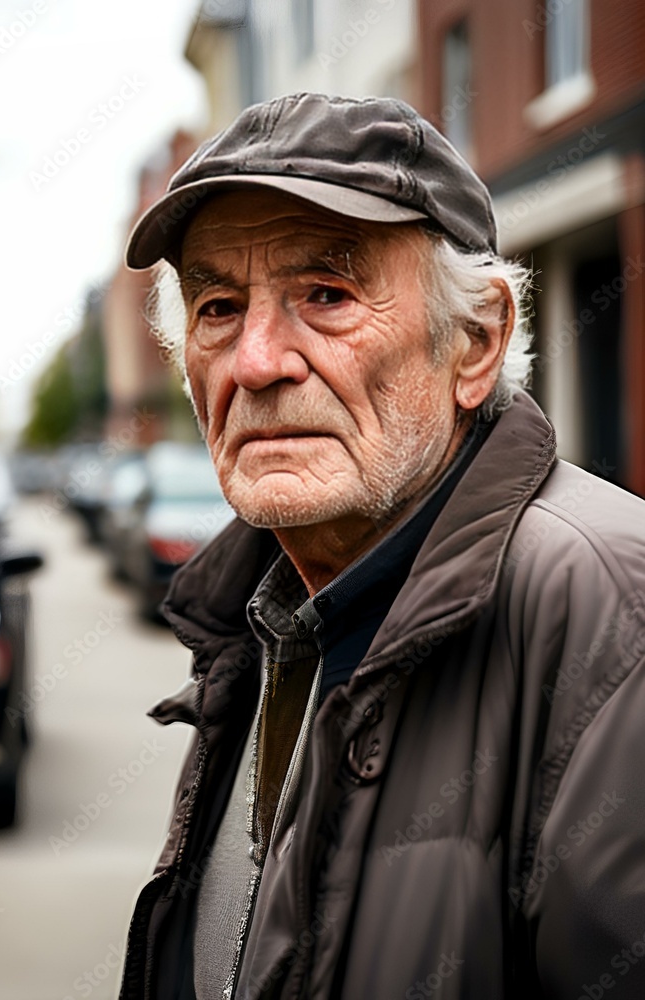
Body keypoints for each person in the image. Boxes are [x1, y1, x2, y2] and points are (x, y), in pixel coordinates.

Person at [116, 92, 645, 1000]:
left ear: (474, 344)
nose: (255, 362)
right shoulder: (265, 618)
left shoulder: (611, 616)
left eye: (327, 295)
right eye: (217, 306)